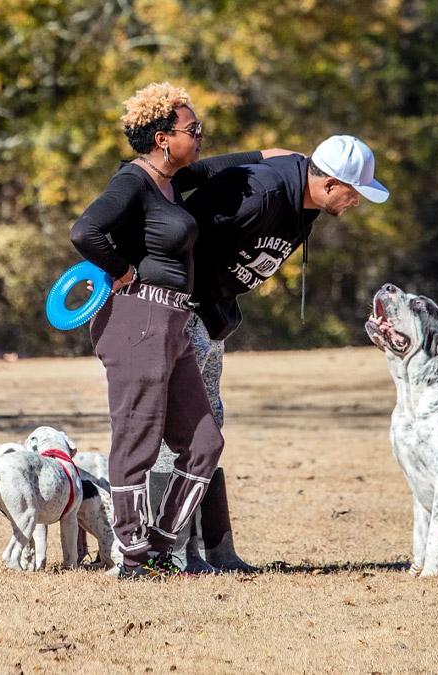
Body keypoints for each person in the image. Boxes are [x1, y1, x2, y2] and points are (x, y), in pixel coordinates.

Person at [69, 82, 293, 578]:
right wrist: (124, 270)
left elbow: (215, 168)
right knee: (138, 440)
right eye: (193, 129)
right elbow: (85, 231)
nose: (200, 135)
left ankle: (161, 545)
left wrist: (265, 154)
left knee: (204, 442)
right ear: (162, 138)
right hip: (136, 320)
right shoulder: (133, 182)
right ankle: (132, 558)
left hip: (172, 324)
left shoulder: (172, 180)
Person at [160, 135, 389, 571]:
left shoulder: (304, 200)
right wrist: (174, 309)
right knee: (181, 430)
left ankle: (214, 550)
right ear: (329, 184)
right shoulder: (260, 193)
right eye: (355, 191)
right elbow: (177, 230)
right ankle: (168, 551)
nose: (358, 201)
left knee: (211, 424)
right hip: (181, 311)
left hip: (212, 315)